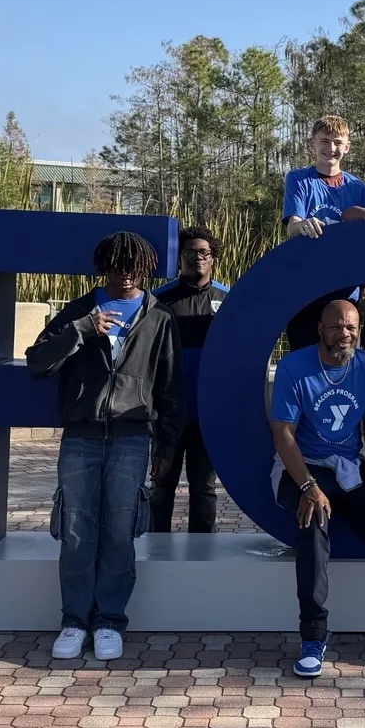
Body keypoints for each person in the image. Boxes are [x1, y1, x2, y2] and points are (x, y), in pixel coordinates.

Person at [27, 232, 185, 662]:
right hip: (82, 436)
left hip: (133, 437)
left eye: (135, 265)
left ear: (146, 267)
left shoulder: (159, 317)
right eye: (118, 264)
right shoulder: (79, 311)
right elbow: (37, 363)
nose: (127, 272)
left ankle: (109, 620)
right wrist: (81, 330)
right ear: (105, 266)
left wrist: (167, 445)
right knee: (76, 530)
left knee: (120, 530)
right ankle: (74, 621)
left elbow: (170, 388)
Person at [269, 298, 365, 678]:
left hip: (349, 469)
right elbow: (283, 435)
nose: (345, 333)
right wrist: (308, 485)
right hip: (300, 467)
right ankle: (313, 637)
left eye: (351, 326)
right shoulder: (294, 366)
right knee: (314, 525)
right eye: (336, 326)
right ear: (320, 329)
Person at [148, 226, 228, 533]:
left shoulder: (228, 300)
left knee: (204, 489)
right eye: (190, 252)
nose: (198, 258)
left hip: (207, 415)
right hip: (167, 415)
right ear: (179, 258)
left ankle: (202, 557)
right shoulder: (157, 301)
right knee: (161, 488)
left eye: (204, 253)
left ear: (213, 259)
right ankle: (156, 551)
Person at [280, 115, 365, 353]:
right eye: (324, 141)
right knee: (305, 356)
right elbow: (292, 225)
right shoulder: (299, 180)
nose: (330, 148)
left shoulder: (357, 188)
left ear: (347, 146)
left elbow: (364, 246)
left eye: (336, 142)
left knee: (343, 359)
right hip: (306, 289)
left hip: (346, 292)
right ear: (312, 143)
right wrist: (302, 225)